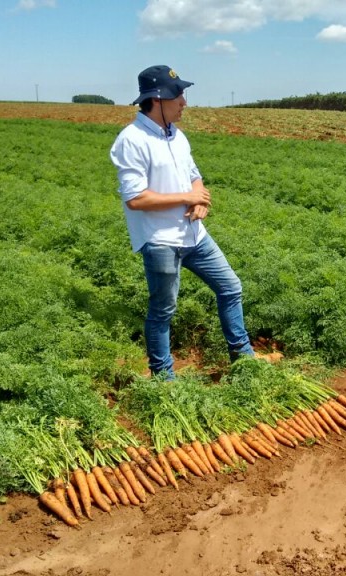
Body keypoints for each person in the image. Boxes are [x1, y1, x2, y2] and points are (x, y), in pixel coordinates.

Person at [110, 65, 256, 377]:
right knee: (163, 310)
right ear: (158, 99)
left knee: (230, 287)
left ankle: (244, 361)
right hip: (160, 239)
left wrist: (199, 199)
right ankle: (164, 378)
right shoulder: (131, 140)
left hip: (194, 235)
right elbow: (136, 199)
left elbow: (195, 177)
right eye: (179, 95)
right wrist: (187, 198)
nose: (184, 102)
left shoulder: (177, 136)